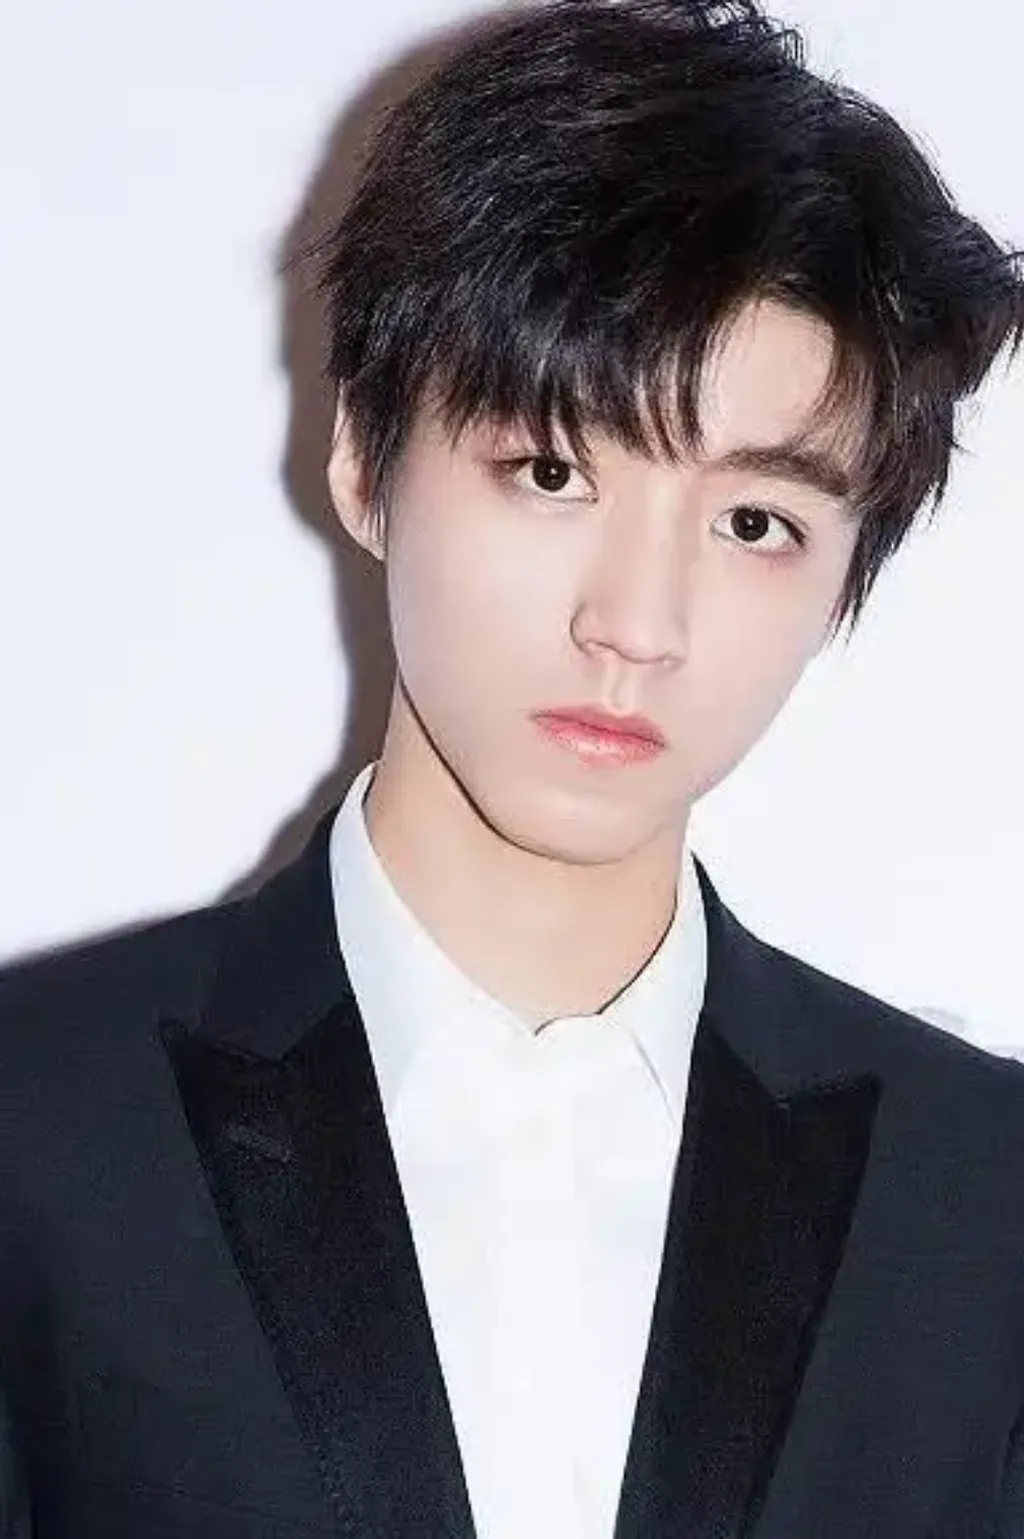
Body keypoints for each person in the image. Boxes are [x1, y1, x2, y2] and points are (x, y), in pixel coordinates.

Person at [2, 0, 1023, 1534]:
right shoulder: (39, 1130)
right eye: (553, 470)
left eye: (755, 522)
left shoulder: (983, 1204)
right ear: (365, 457)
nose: (637, 624)